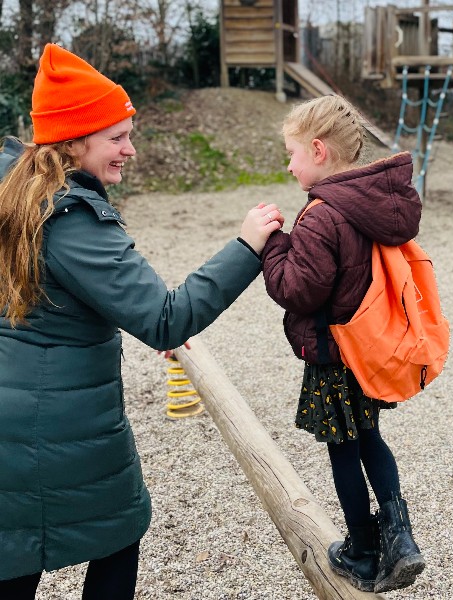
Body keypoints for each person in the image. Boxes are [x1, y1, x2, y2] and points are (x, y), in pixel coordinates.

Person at [0, 44, 284, 598]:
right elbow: (165, 318)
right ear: (74, 139)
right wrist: (247, 246)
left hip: (16, 426)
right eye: (117, 137)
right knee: (117, 535)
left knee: (14, 557)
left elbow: (53, 297)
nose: (130, 149)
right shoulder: (71, 218)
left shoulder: (16, 191)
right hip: (57, 432)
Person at [260, 95, 426, 593]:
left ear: (318, 149)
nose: (289, 165)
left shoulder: (321, 214)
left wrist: (271, 243)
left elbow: (297, 289)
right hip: (368, 349)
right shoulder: (373, 203)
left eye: (291, 154)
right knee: (370, 436)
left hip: (333, 354)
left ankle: (361, 548)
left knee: (342, 448)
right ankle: (401, 538)